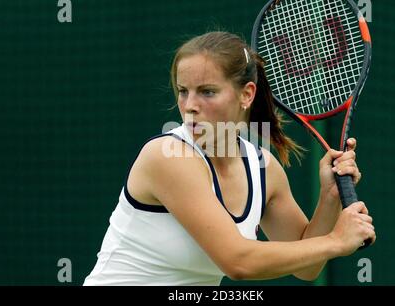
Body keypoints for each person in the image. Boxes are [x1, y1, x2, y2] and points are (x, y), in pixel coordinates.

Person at [84, 31, 375, 286]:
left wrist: (329, 197)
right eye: (184, 92)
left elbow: (307, 266)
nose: (190, 106)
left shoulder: (264, 168)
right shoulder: (167, 158)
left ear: (246, 94)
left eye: (207, 92)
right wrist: (336, 241)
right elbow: (238, 262)